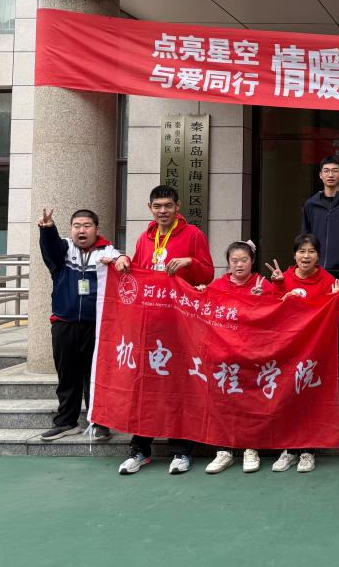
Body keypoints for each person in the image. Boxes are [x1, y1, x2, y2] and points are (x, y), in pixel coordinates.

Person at [114, 184, 214, 476]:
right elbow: (137, 274)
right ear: (150, 208)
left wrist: (190, 262)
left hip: (181, 324)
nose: (163, 211)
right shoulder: (145, 238)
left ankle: (182, 451)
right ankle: (140, 450)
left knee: (180, 386)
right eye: (157, 206)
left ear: (178, 206)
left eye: (168, 205)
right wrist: (124, 260)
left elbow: (208, 273)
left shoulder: (193, 234)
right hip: (150, 324)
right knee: (145, 386)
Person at [36, 207, 121, 442]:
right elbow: (50, 249)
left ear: (96, 229)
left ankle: (100, 422)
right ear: (71, 229)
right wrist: (47, 229)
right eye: (77, 226)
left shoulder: (108, 251)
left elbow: (123, 265)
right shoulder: (64, 248)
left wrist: (123, 260)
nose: (81, 230)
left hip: (97, 326)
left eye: (86, 226)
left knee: (95, 375)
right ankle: (66, 422)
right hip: (64, 323)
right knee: (67, 374)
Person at [265, 233, 337, 473]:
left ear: (319, 255)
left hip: (314, 350)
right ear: (294, 255)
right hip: (287, 350)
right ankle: (288, 450)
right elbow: (271, 312)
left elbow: (332, 314)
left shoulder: (327, 280)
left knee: (309, 401)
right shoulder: (283, 278)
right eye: (301, 251)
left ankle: (307, 451)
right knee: (286, 398)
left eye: (311, 252)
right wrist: (279, 288)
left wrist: (336, 299)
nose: (306, 256)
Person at [201, 241, 274, 474]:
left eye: (244, 260)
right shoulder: (217, 286)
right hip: (223, 356)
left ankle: (251, 448)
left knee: (251, 402)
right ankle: (224, 451)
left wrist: (264, 298)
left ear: (252, 261)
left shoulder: (263, 284)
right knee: (224, 403)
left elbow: (278, 314)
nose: (239, 264)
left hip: (253, 355)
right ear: (228, 263)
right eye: (234, 260)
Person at [301, 156, 339, 283]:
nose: (330, 174)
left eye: (335, 171)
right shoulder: (311, 204)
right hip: (315, 269)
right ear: (320, 175)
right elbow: (305, 238)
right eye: (326, 171)